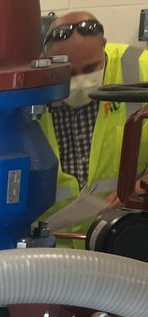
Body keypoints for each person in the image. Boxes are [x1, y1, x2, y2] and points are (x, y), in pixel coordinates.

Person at [39, 12, 148, 242]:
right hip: (52, 247)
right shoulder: (32, 86)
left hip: (123, 239)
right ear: (46, 58)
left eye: (90, 69)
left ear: (105, 47)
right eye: (68, 72)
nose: (80, 80)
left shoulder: (140, 67)